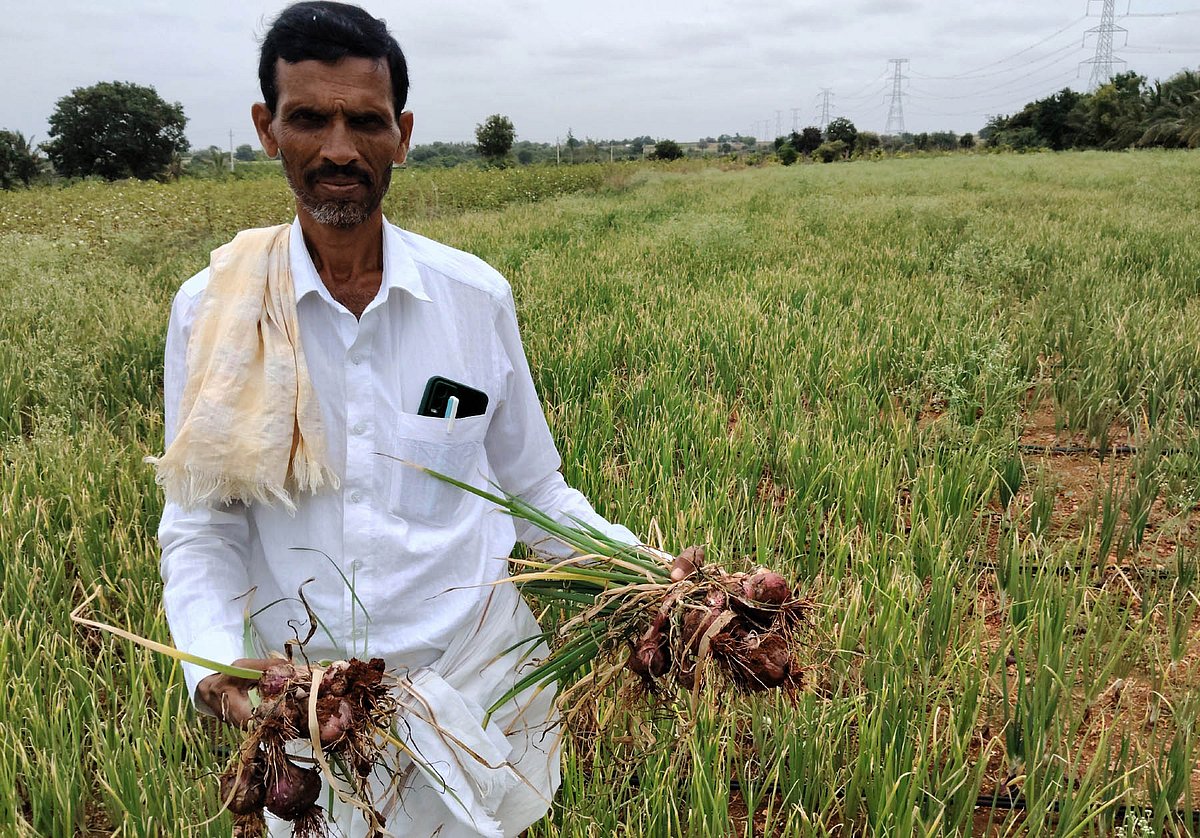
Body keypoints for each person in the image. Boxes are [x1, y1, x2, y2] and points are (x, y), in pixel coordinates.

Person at [154, 3, 690, 836]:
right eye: (309, 119)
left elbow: (533, 492)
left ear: (401, 135)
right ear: (268, 130)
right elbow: (201, 525)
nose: (339, 149)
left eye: (366, 122)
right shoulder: (214, 313)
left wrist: (656, 579)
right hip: (320, 711)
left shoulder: (473, 299)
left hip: (478, 686)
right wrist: (217, 668)